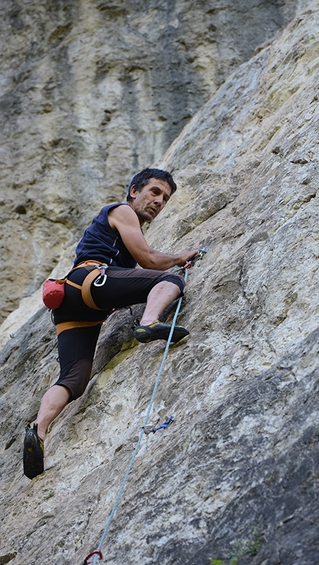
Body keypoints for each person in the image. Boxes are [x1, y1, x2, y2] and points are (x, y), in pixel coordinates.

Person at [23, 168, 198, 479]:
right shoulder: (121, 211)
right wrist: (179, 257)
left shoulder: (121, 221)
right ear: (134, 191)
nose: (159, 201)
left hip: (74, 305)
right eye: (154, 192)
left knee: (74, 379)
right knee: (170, 281)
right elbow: (148, 260)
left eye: (165, 198)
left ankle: (39, 431)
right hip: (90, 281)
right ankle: (149, 322)